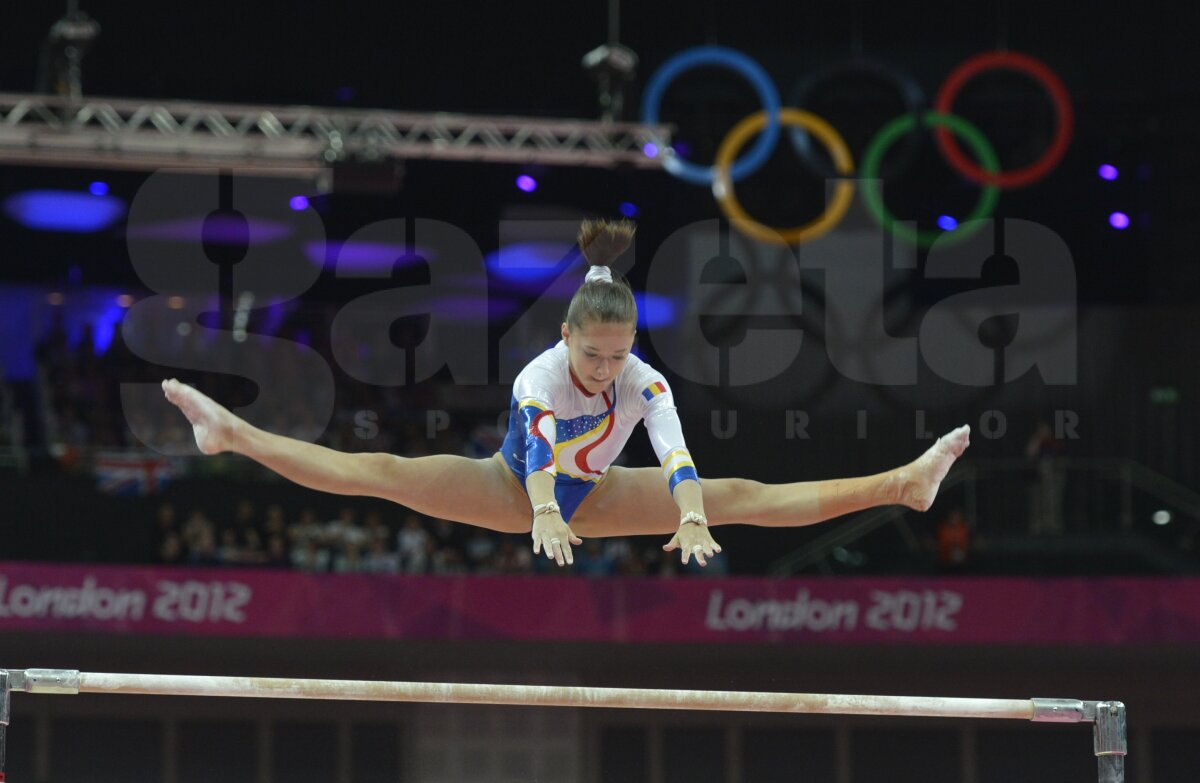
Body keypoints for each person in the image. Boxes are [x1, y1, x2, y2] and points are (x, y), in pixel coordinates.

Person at [163, 218, 971, 569]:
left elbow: (678, 454)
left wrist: (690, 512)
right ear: (566, 337)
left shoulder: (643, 378)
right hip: (514, 488)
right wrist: (543, 508)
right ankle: (235, 434)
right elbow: (541, 451)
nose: (605, 368)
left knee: (743, 495)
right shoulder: (539, 376)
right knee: (380, 469)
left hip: (606, 492)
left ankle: (903, 484)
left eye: (618, 354)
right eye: (594, 353)